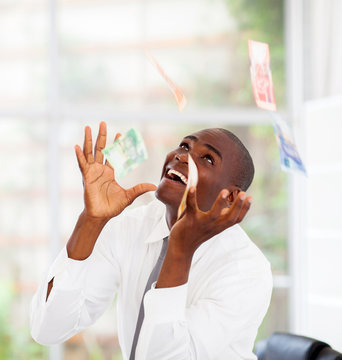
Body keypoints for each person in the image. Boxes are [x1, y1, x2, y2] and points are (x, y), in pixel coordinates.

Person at [30, 122, 272, 360]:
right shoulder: (131, 226)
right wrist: (91, 220)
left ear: (229, 197)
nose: (183, 156)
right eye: (184, 146)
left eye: (208, 159)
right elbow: (48, 329)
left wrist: (180, 249)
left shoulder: (246, 269)